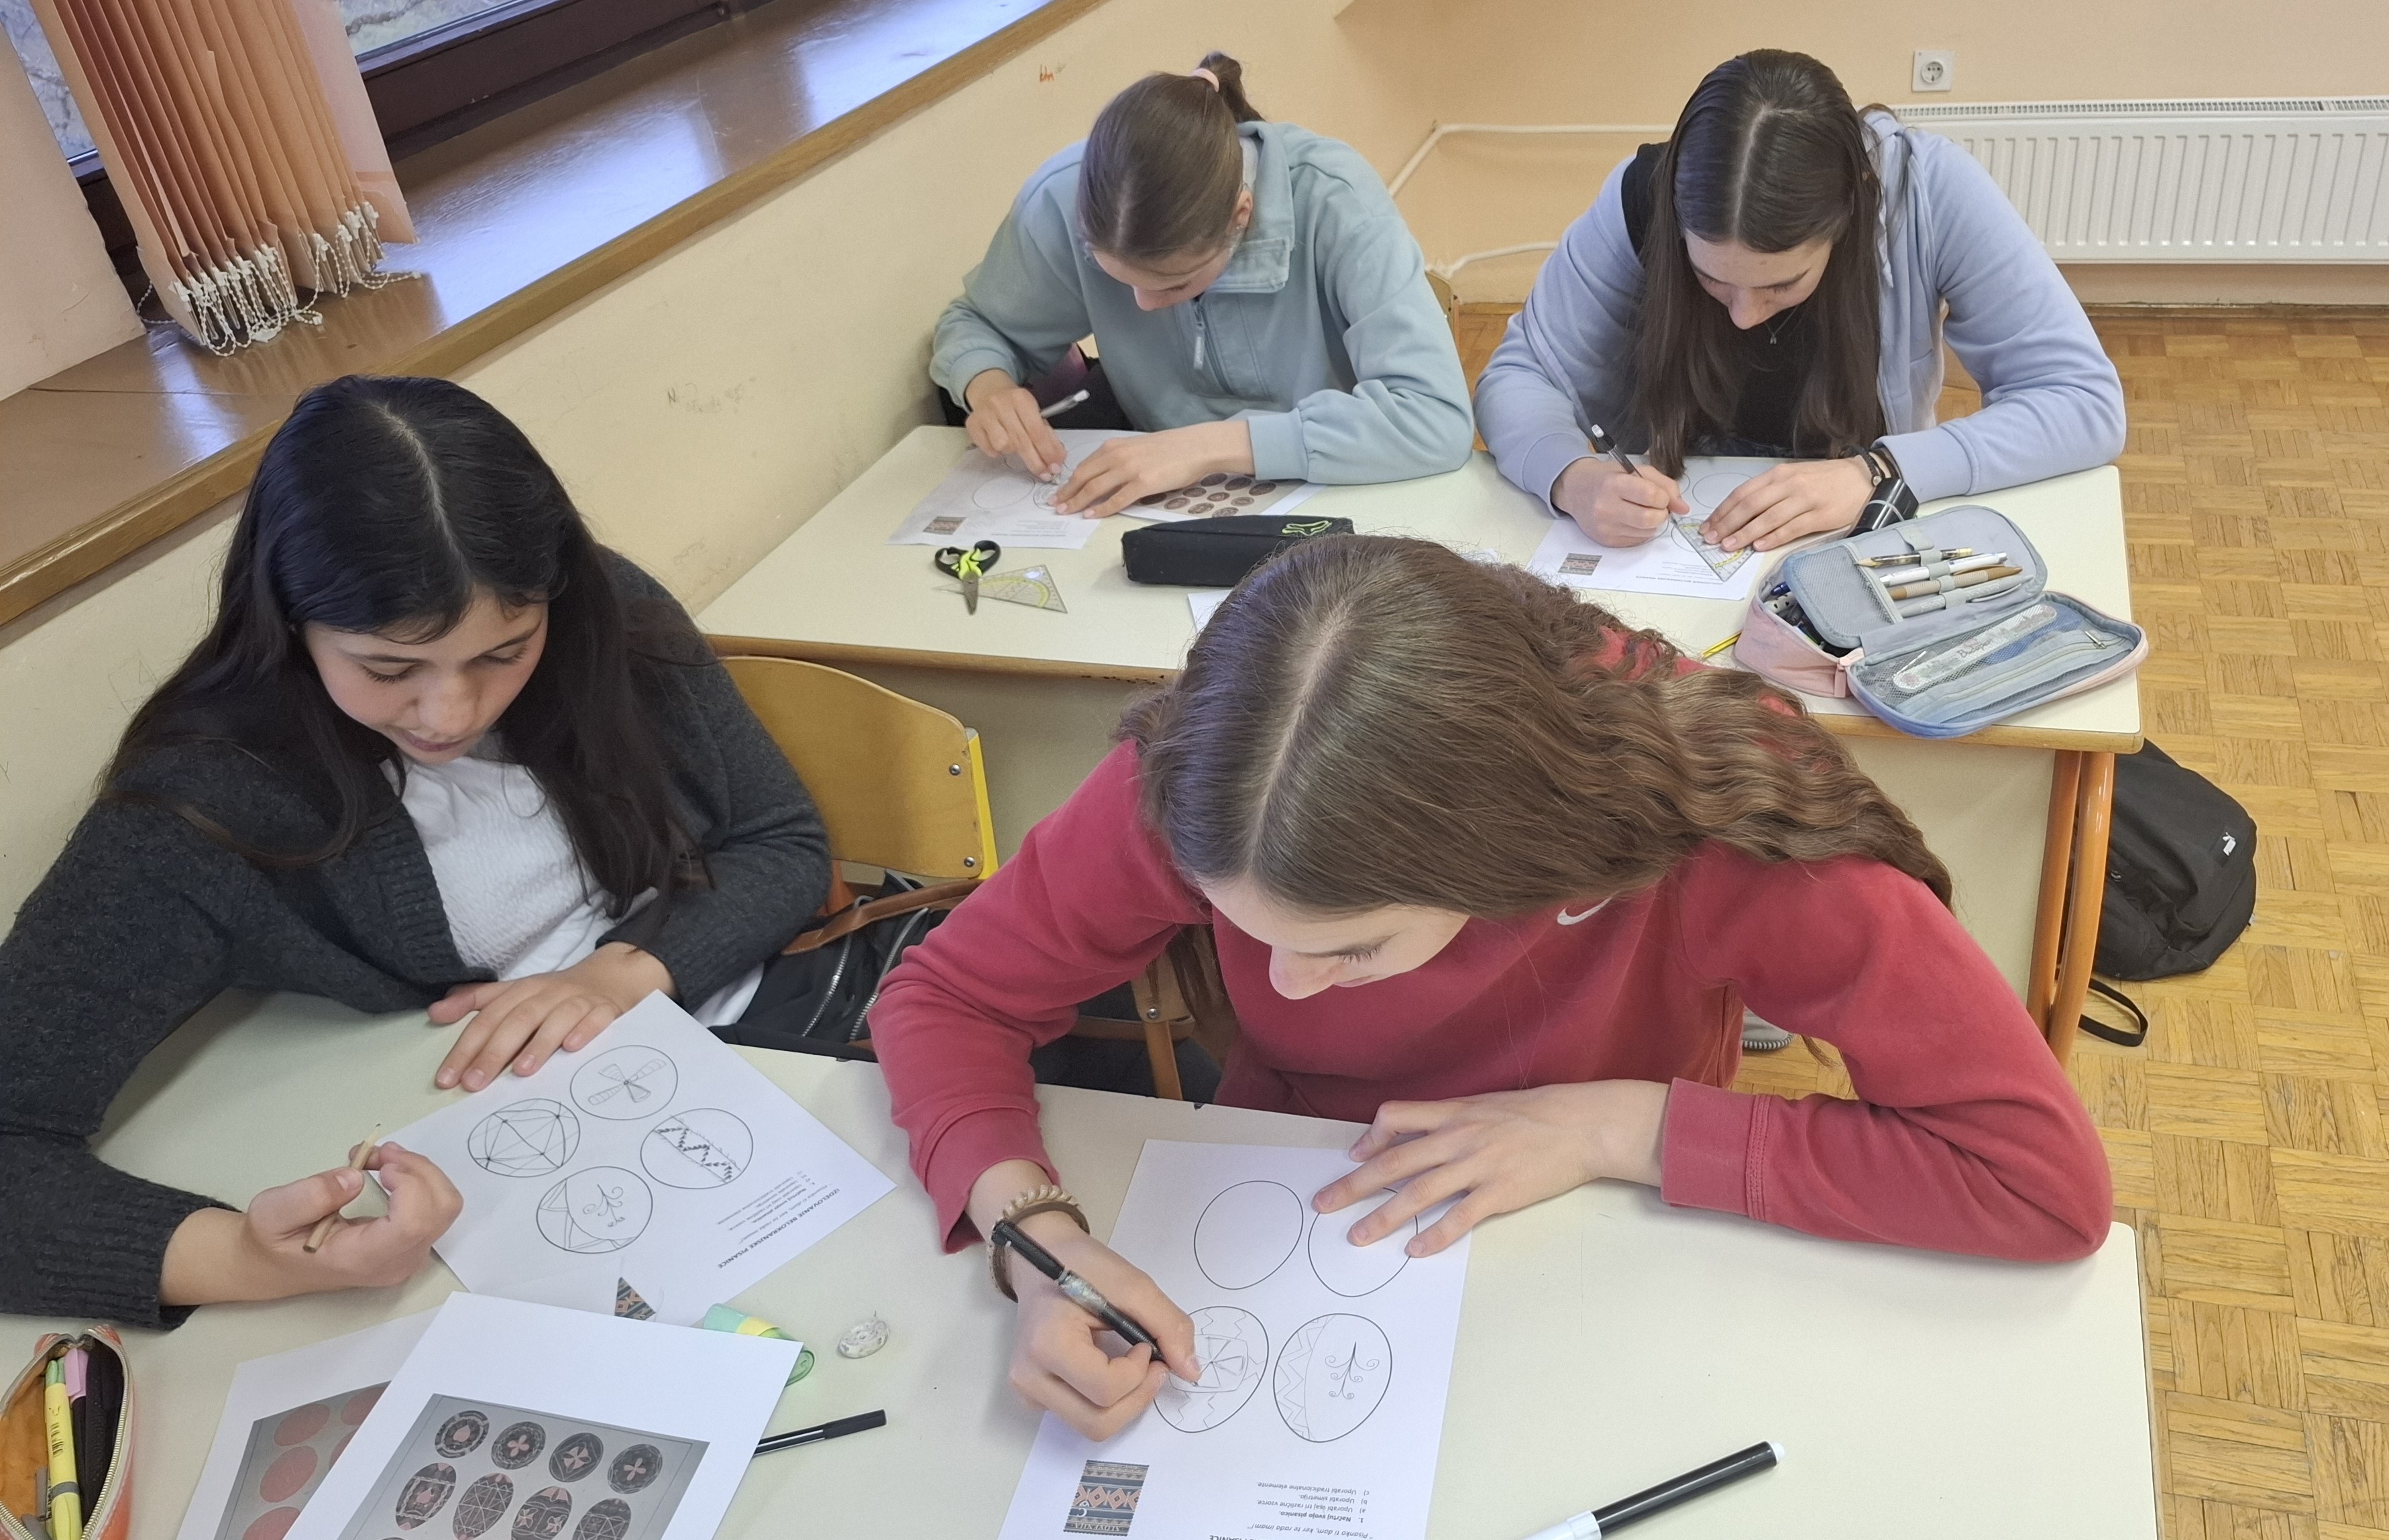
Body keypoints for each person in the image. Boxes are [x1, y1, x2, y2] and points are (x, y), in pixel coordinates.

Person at [870, 535, 2113, 1440]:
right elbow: (945, 1001)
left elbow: (2036, 1184)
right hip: (1306, 1204)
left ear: (1507, 867)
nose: (1286, 989)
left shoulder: (1722, 816)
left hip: (1616, 1235)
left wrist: (1618, 1127)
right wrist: (1036, 1240)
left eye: (1353, 947)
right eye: (1241, 927)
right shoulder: (1216, 774)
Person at [0, 376, 830, 1325]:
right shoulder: (201, 810)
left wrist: (620, 972)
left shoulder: (604, 614)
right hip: (540, 1168)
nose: (452, 713)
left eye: (502, 653)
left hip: (769, 1054)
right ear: (289, 622)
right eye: (389, 668)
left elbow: (782, 840)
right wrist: (247, 1258)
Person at [1476, 49, 2124, 555]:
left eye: (1781, 285)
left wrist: (1880, 471)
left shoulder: (1925, 191)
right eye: (1710, 279)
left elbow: (2081, 401)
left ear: (1850, 216)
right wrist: (1571, 477)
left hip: (1862, 534)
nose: (1743, 315)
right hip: (1674, 542)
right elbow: (1519, 375)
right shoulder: (1641, 196)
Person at [932, 52, 1473, 517]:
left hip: (1344, 494)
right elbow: (976, 324)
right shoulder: (1061, 199)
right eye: (1114, 277)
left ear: (1242, 215)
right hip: (1159, 507)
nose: (1143, 305)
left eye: (1176, 284)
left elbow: (1434, 417)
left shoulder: (1335, 200)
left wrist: (1208, 447)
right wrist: (989, 386)